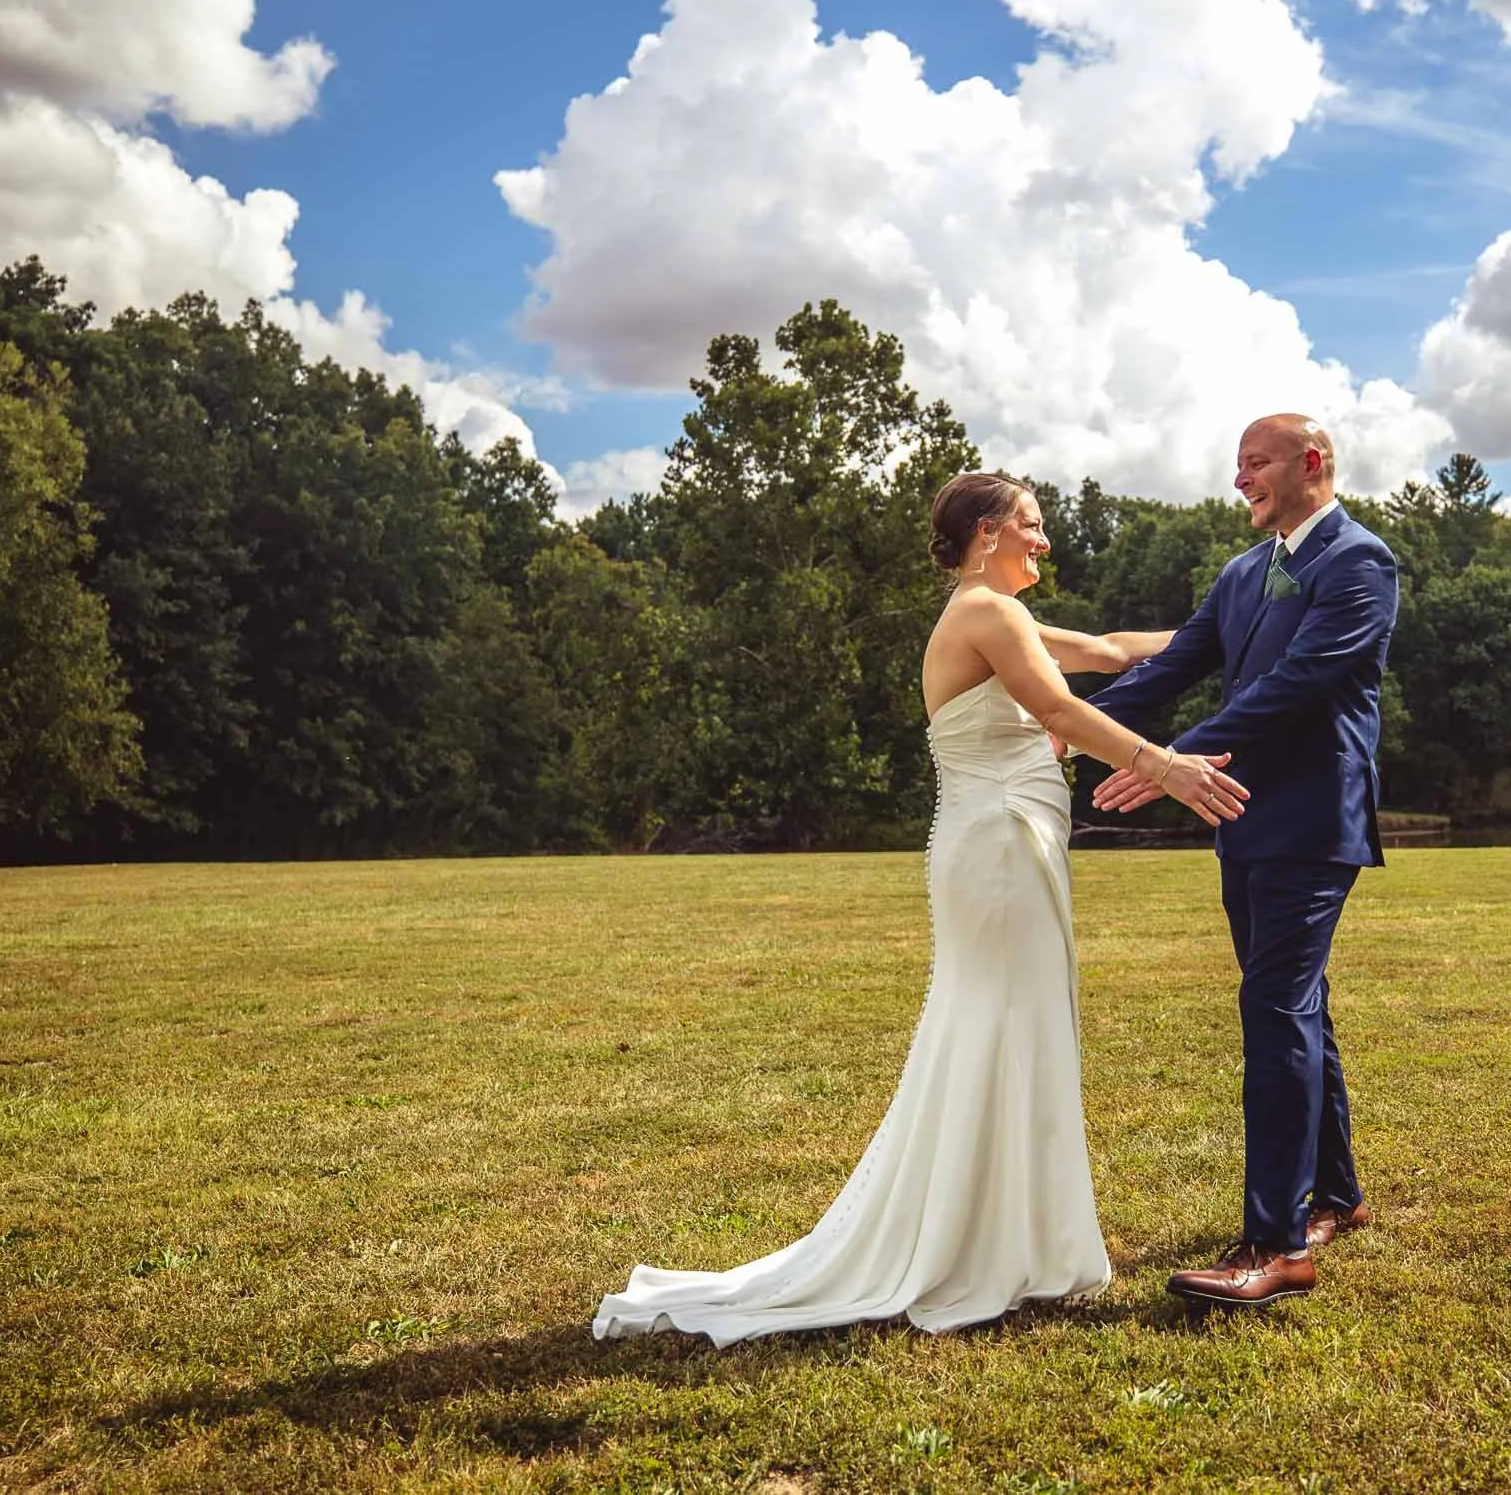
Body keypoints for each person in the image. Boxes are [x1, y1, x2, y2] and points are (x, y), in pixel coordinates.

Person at [592, 472, 1245, 1344]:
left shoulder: (995, 613)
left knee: (1011, 1026)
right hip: (999, 846)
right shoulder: (986, 613)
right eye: (1032, 526)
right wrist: (1168, 766)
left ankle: (1001, 1235)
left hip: (1003, 842)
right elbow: (1057, 706)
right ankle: (976, 1244)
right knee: (999, 1023)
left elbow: (1112, 649)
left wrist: (1237, 625)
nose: (1044, 542)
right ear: (987, 532)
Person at [1086, 414, 1398, 1307]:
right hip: (1243, 818)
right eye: (1236, 466)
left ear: (1311, 464)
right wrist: (1073, 729)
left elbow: (1298, 687)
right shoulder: (1240, 573)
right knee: (1296, 1001)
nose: (1239, 480)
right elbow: (1172, 666)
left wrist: (1166, 762)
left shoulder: (1360, 562)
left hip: (1312, 821)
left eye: (1254, 463)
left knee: (1274, 1004)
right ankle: (1337, 1195)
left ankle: (1277, 1243)